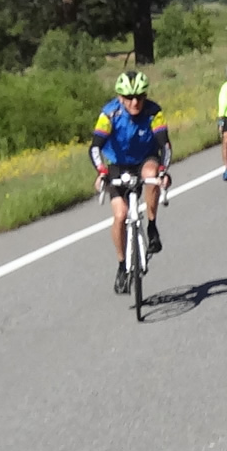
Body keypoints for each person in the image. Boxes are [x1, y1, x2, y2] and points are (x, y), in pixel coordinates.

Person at [90, 72, 172, 295]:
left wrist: (163, 172)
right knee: (120, 215)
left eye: (140, 96)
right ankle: (121, 265)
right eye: (128, 97)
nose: (135, 102)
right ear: (120, 97)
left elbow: (165, 145)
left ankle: (152, 226)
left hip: (146, 158)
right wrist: (102, 172)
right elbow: (95, 147)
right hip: (118, 165)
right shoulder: (109, 114)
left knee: (152, 174)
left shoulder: (154, 112)